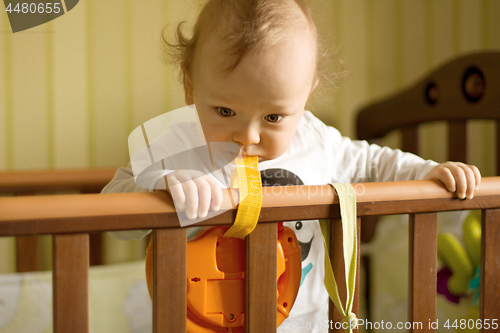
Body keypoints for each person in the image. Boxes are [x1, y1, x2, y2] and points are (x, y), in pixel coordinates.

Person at [102, 0, 481, 331]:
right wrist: (157, 188)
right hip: (196, 322)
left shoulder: (316, 140)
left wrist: (425, 172)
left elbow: (372, 161)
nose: (247, 135)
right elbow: (109, 213)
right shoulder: (174, 146)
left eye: (273, 118)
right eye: (225, 111)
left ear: (306, 94)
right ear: (190, 85)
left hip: (308, 325)